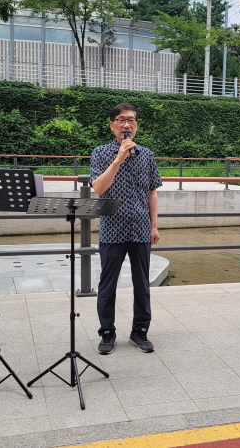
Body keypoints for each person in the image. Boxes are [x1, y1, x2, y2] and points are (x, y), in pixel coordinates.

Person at [90, 103, 162, 355]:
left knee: (142, 284)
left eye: (131, 120)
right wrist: (118, 159)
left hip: (141, 228)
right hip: (112, 229)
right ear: (112, 125)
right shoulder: (100, 153)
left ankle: (139, 332)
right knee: (107, 285)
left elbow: (152, 192)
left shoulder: (147, 155)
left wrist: (154, 226)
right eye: (121, 120)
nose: (126, 124)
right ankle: (107, 333)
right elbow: (99, 188)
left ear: (136, 125)